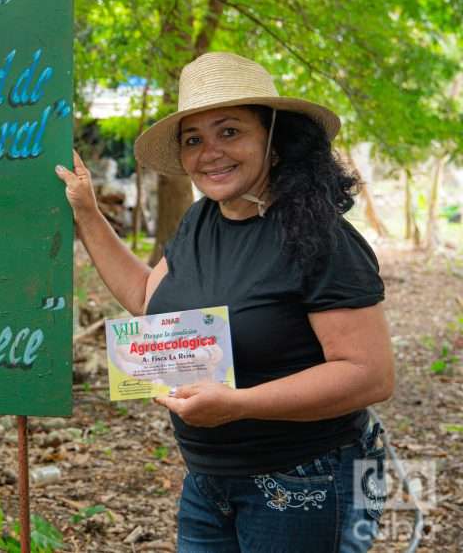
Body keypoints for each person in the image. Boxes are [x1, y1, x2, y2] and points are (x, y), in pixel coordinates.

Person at [56, 52, 394, 553]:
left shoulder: (320, 237)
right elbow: (149, 302)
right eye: (194, 139)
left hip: (307, 480)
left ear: (272, 139)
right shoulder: (201, 221)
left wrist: (238, 405)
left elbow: (370, 374)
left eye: (230, 131)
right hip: (209, 482)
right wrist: (86, 212)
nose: (210, 152)